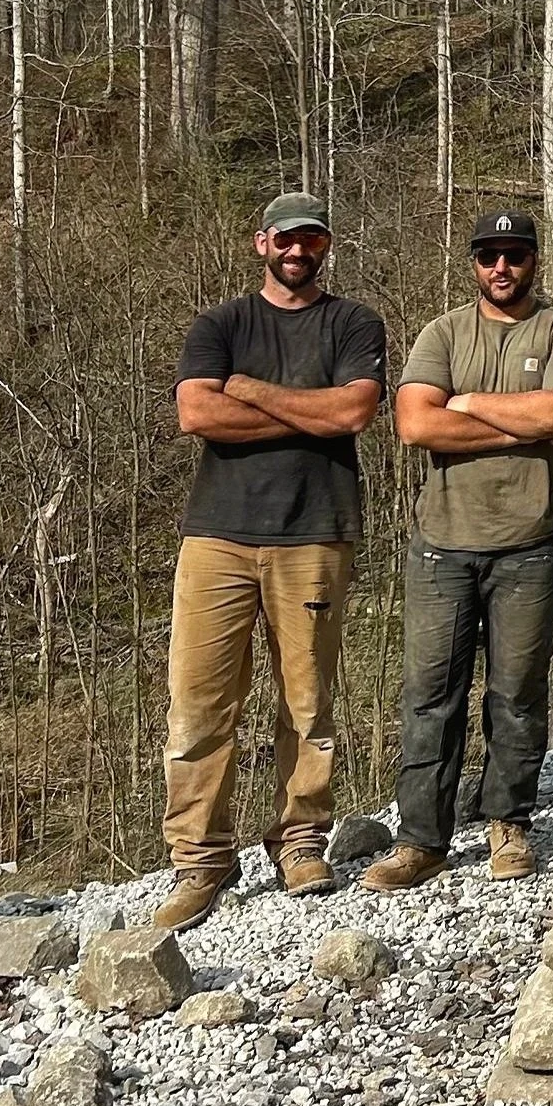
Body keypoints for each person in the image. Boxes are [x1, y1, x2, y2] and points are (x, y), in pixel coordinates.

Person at [156, 192, 387, 931]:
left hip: (315, 530)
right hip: (217, 536)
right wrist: (305, 406)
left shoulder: (352, 323)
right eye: (286, 238)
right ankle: (201, 859)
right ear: (262, 243)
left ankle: (300, 841)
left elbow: (352, 413)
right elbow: (196, 412)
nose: (298, 250)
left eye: (312, 239)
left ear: (325, 247)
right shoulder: (221, 323)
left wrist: (249, 389)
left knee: (308, 702)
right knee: (198, 705)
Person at [366, 208, 553, 890]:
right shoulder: (443, 332)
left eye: (515, 255)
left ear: (532, 261)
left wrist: (463, 406)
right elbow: (412, 424)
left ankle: (507, 822)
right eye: (489, 255)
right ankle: (422, 841)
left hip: (533, 543)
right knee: (430, 694)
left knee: (516, 692)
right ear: (473, 262)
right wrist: (514, 426)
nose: (502, 267)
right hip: (442, 544)